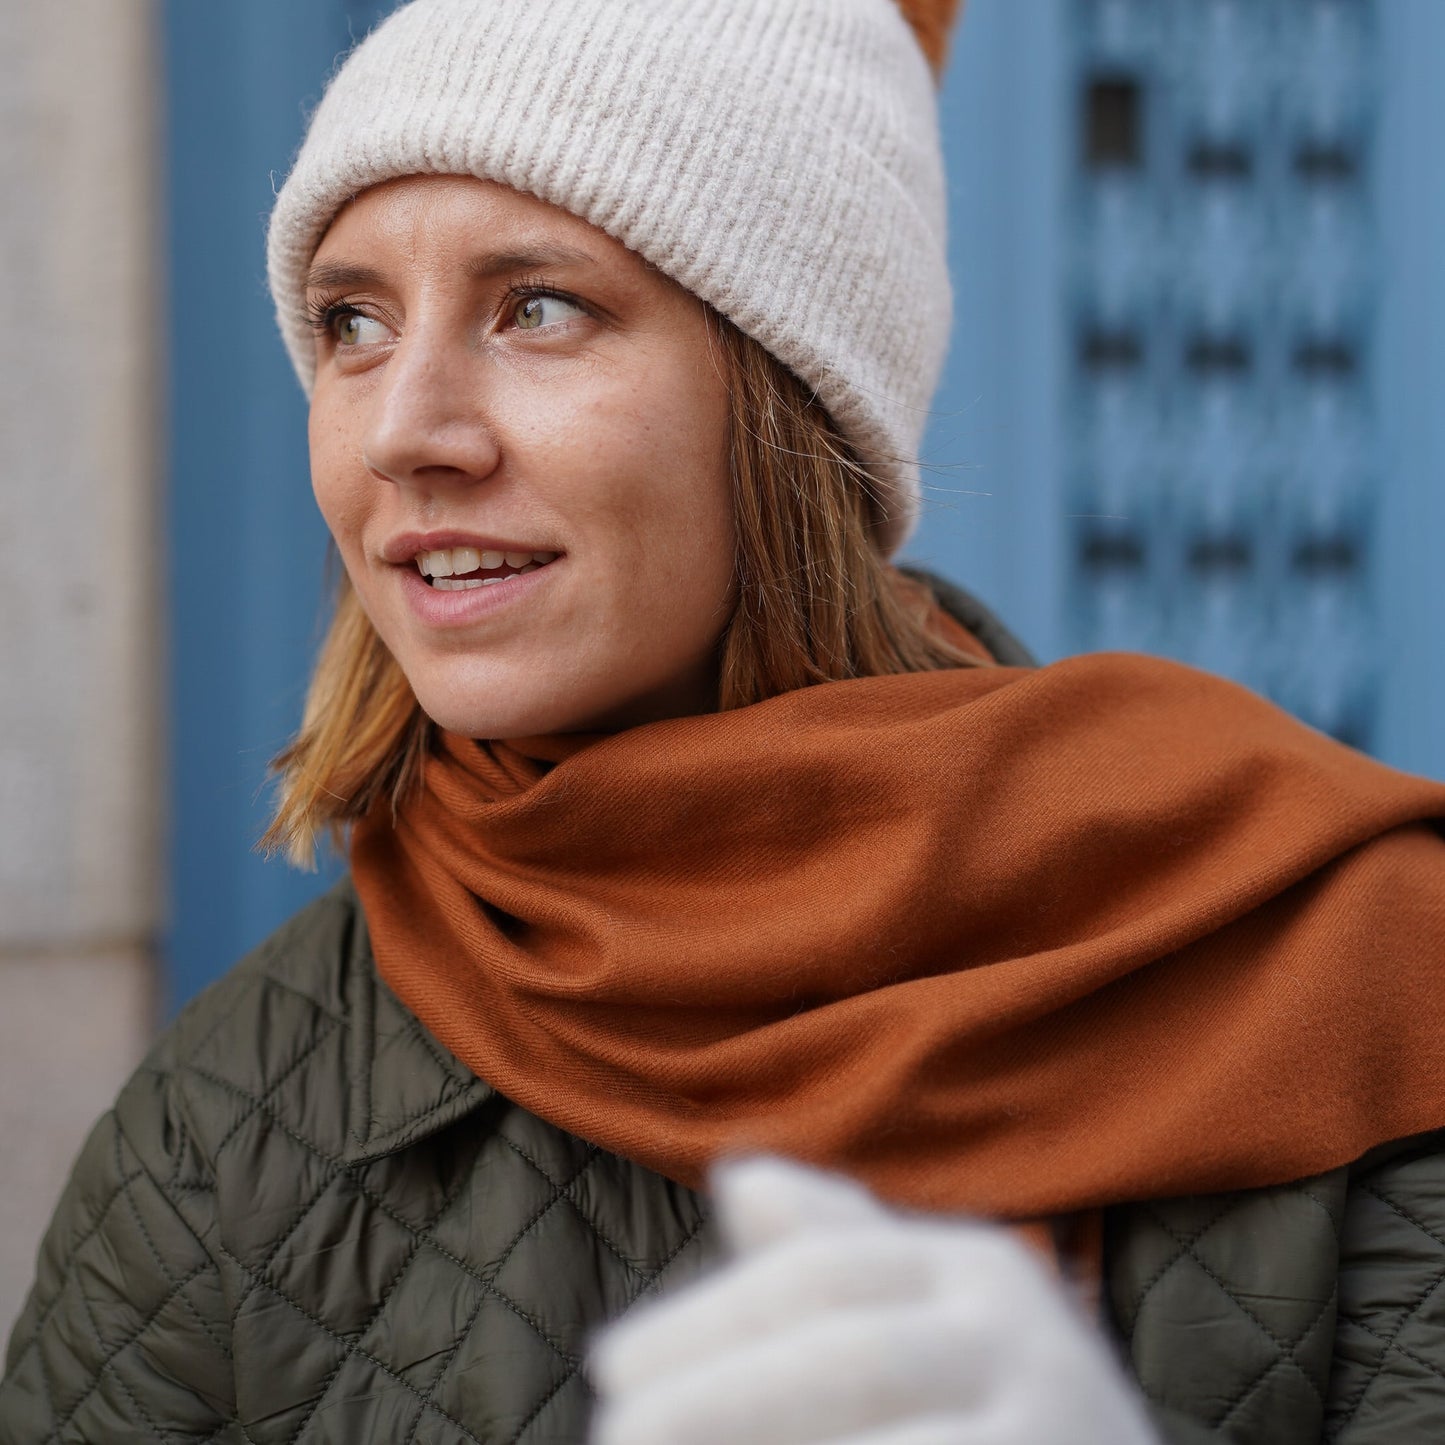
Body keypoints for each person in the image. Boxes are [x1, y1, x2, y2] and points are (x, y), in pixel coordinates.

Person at [5, 1, 1445, 1441]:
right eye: (353, 323)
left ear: (790, 407)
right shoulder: (226, 1130)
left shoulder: (1359, 968)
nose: (402, 431)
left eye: (538, 306)